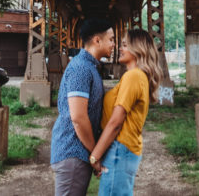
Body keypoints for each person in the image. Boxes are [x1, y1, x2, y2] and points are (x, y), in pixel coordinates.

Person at [90, 29, 163, 196]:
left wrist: (95, 156)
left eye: (124, 45)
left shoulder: (134, 77)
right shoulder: (135, 76)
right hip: (123, 150)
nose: (119, 48)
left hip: (119, 150)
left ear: (138, 49)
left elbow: (116, 123)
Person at [50, 17, 116, 196]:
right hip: (72, 152)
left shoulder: (89, 66)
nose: (114, 44)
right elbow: (78, 118)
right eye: (111, 39)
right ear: (97, 40)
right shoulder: (81, 68)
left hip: (77, 154)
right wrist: (95, 153)